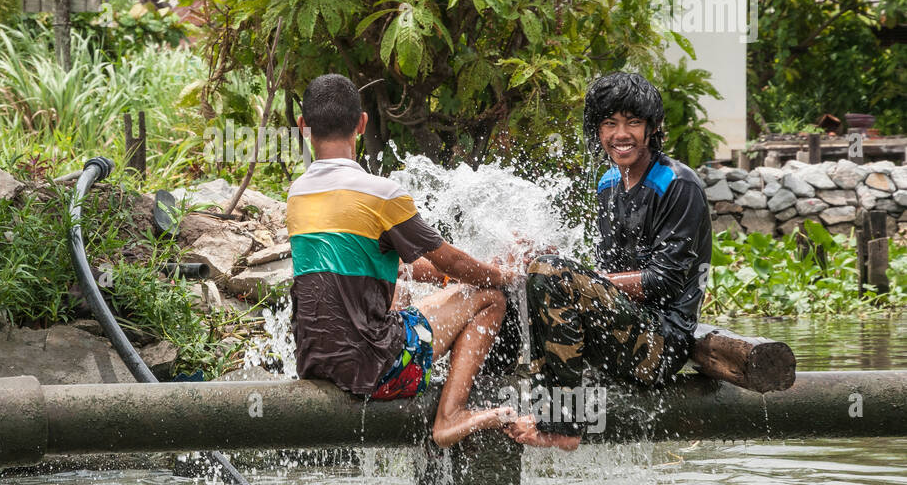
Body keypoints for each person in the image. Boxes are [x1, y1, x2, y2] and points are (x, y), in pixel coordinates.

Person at [289, 73, 519, 448]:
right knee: (491, 297)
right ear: (362, 124)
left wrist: (449, 282)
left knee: (405, 295)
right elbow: (452, 262)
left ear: (302, 128)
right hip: (374, 369)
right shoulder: (382, 194)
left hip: (315, 363)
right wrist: (503, 274)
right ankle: (450, 416)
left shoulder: (298, 195)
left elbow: (386, 263)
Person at [507, 71, 712, 450]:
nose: (622, 134)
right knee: (531, 273)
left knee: (550, 273)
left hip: (662, 345)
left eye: (633, 122)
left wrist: (573, 279)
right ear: (598, 131)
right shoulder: (609, 183)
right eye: (610, 123)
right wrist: (567, 275)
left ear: (651, 129)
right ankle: (535, 407)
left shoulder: (678, 185)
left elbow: (662, 281)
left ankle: (563, 427)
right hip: (623, 330)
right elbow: (610, 271)